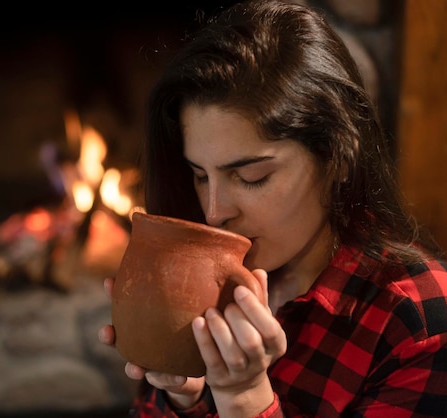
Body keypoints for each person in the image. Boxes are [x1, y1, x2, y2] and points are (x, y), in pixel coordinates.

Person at [97, 0, 447, 416]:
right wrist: (181, 397)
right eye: (200, 175)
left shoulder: (417, 319)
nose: (213, 212)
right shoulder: (207, 287)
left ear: (337, 158)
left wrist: (244, 396)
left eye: (251, 177)